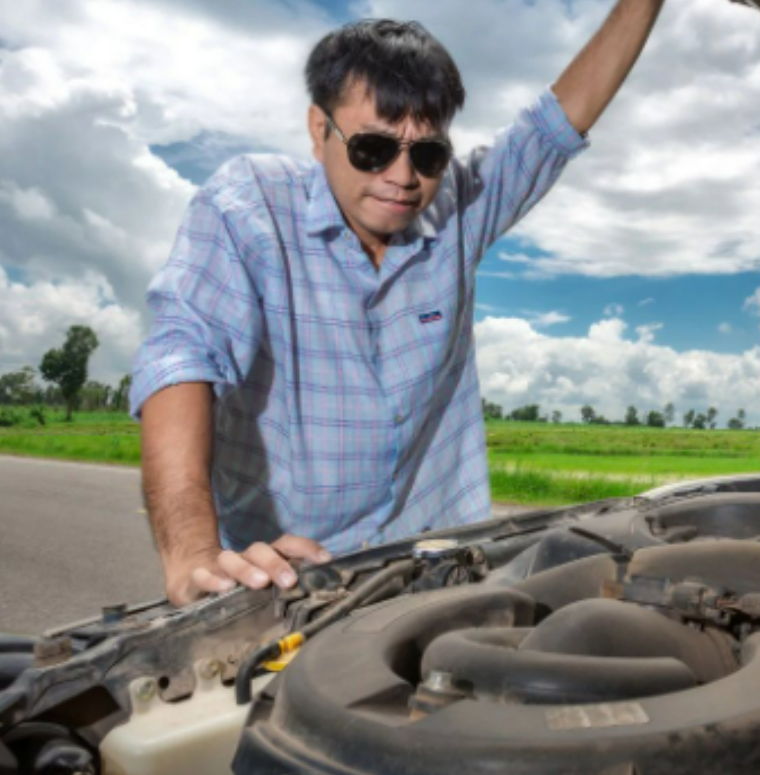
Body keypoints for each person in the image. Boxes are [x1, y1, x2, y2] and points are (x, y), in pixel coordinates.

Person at [130, 2, 666, 606]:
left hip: (436, 569)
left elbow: (555, 124)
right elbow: (182, 356)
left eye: (429, 154)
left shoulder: (458, 208)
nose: (403, 177)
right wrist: (193, 555)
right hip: (287, 580)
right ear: (318, 130)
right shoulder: (246, 207)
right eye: (373, 149)